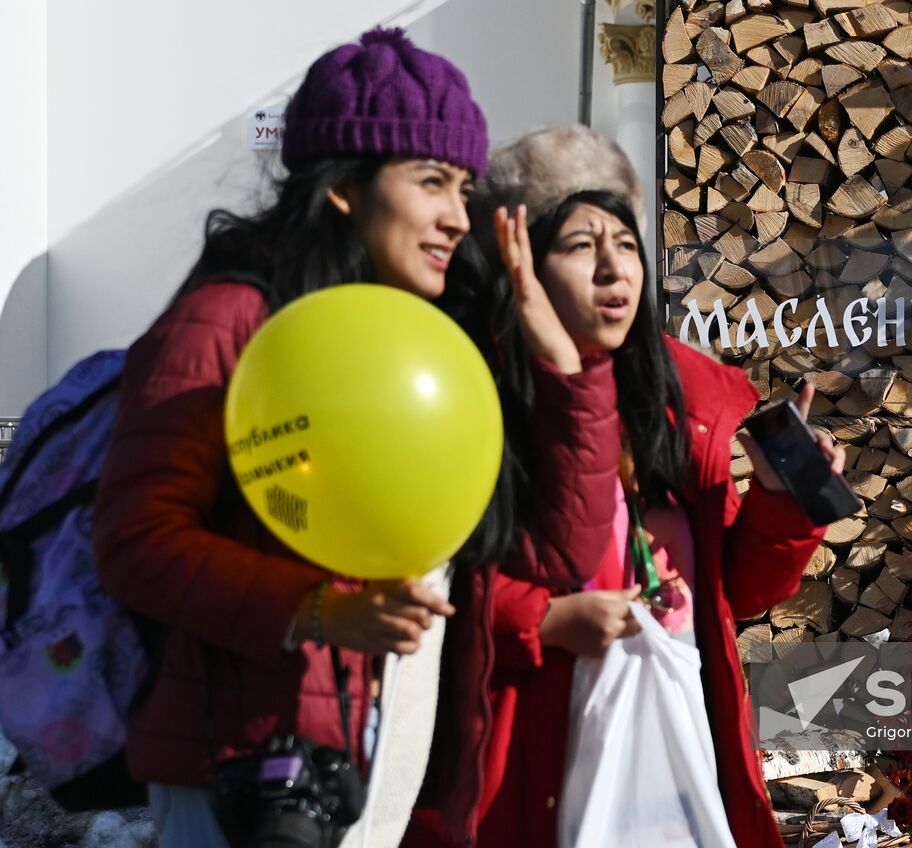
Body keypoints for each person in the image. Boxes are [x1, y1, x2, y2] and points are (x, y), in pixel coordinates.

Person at [92, 30, 619, 847]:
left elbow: (555, 558)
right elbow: (135, 541)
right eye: (432, 181)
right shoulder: (230, 320)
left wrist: (562, 367)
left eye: (465, 186)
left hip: (380, 773)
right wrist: (314, 611)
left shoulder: (430, 347)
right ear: (344, 188)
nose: (457, 215)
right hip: (243, 776)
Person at [410, 125, 843, 848]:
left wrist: (778, 501)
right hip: (532, 756)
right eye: (580, 246)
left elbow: (734, 592)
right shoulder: (469, 404)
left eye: (627, 244)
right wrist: (540, 621)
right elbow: (430, 583)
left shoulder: (677, 403)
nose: (615, 268)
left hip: (669, 757)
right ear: (525, 267)